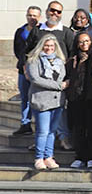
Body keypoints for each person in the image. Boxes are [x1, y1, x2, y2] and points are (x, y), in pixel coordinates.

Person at [26, 35, 68, 171]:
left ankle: (48, 156)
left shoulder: (59, 61)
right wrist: (58, 86)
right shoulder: (33, 60)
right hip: (41, 101)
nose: (49, 48)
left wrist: (62, 85)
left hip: (57, 101)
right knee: (43, 131)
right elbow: (36, 79)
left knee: (52, 131)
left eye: (51, 46)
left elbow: (63, 77)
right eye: (46, 45)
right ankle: (39, 158)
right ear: (41, 46)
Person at [64, 32, 92, 168]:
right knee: (78, 128)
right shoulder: (73, 59)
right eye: (81, 41)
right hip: (76, 98)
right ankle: (80, 156)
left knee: (91, 128)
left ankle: (91, 157)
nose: (84, 44)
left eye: (87, 41)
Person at [12, 5, 42, 136]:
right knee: (25, 97)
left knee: (36, 98)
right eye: (30, 15)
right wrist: (23, 64)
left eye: (35, 15)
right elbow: (17, 50)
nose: (32, 18)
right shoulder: (20, 31)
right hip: (22, 70)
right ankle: (26, 123)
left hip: (38, 71)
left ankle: (40, 125)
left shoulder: (42, 31)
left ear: (39, 17)